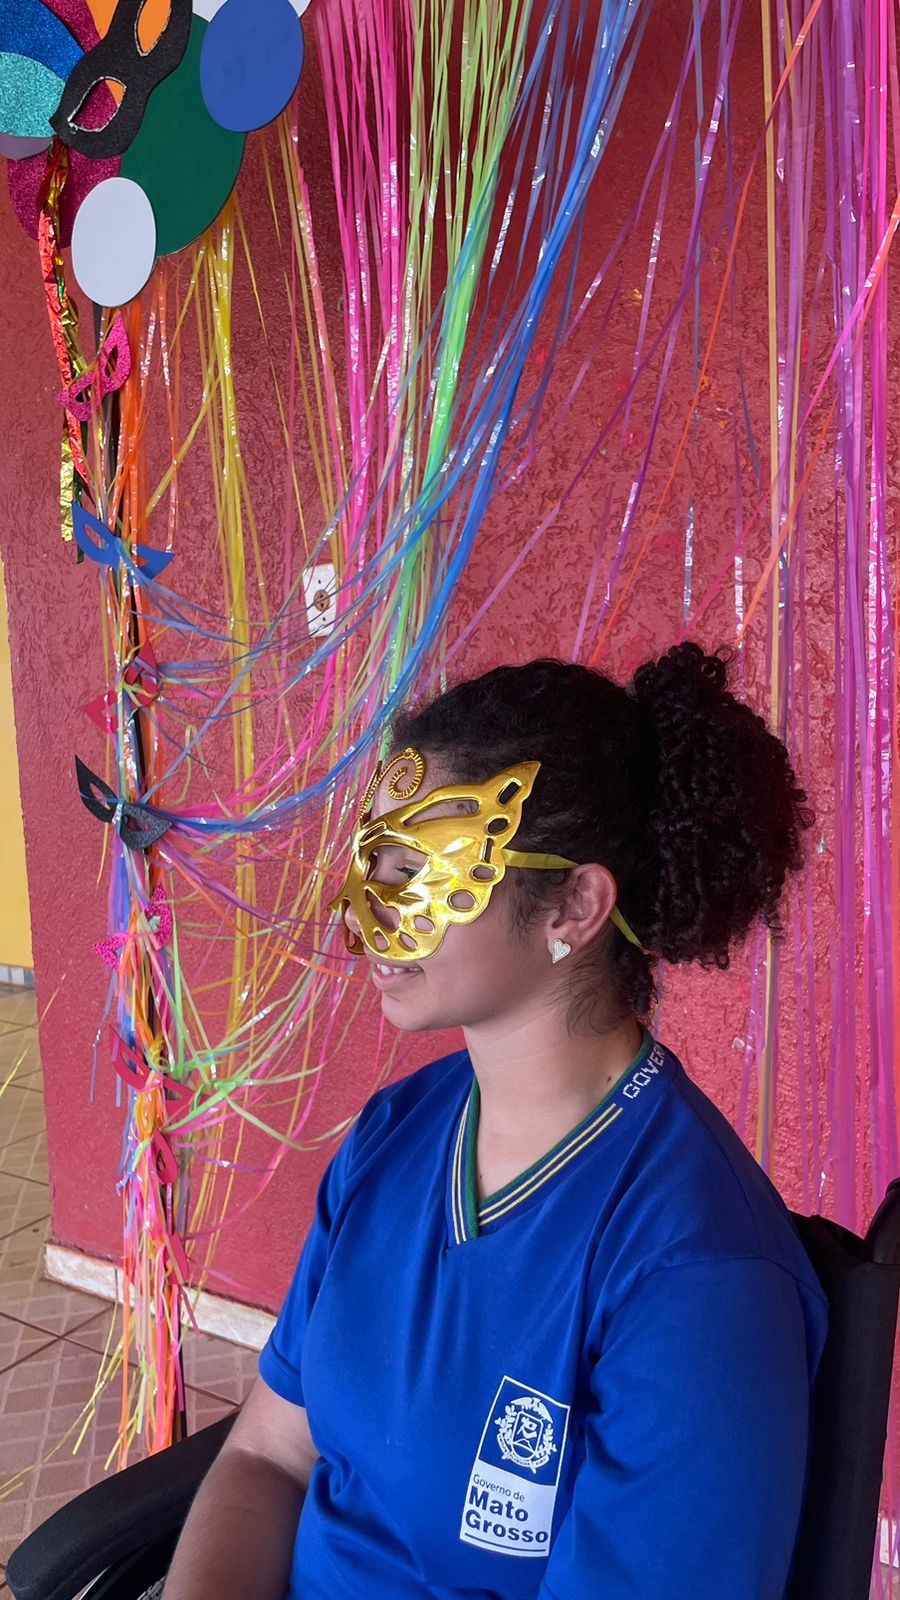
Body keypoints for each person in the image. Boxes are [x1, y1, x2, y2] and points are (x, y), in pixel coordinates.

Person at [163, 644, 829, 1600]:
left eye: (410, 870)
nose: (360, 916)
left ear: (575, 904)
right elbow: (270, 1454)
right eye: (368, 863)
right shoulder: (394, 1134)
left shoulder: (698, 1274)